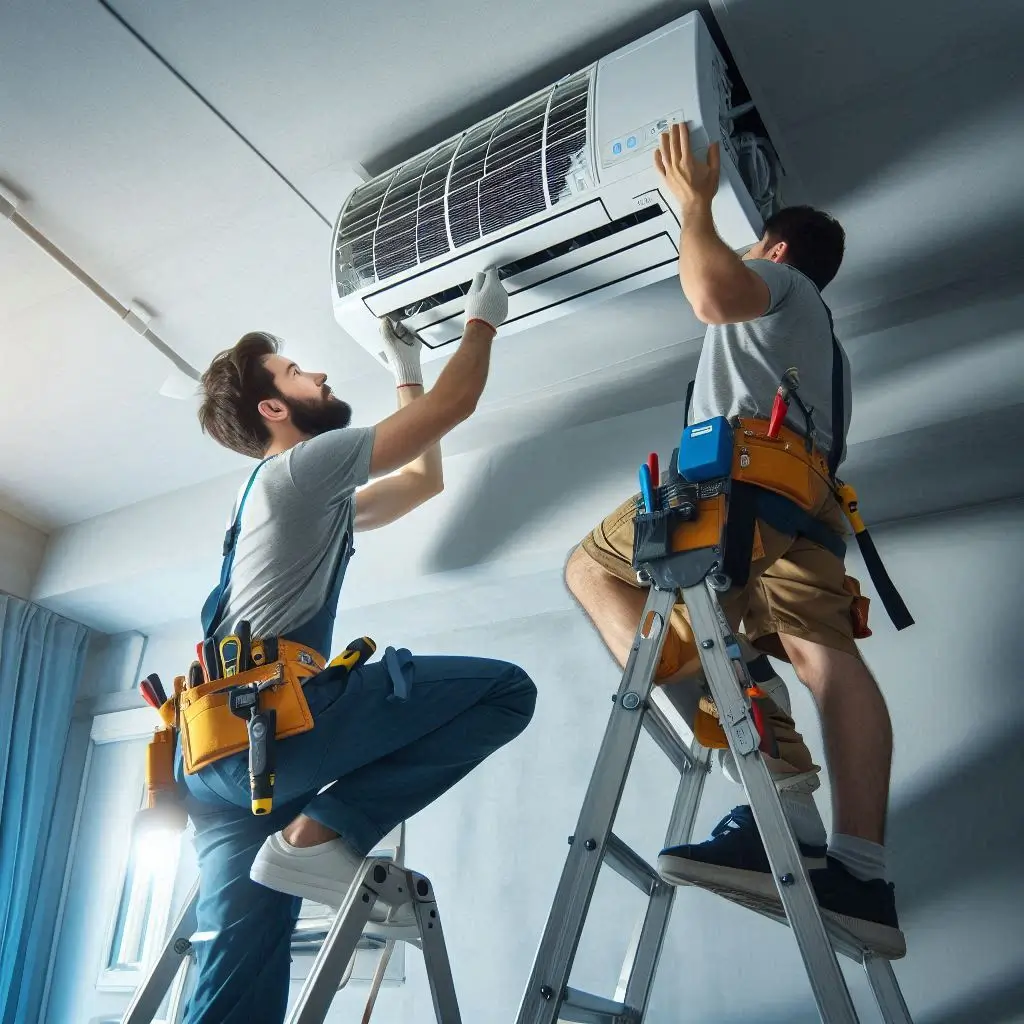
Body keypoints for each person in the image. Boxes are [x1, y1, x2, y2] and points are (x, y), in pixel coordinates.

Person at [564, 122, 905, 958]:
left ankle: (772, 789)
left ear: (776, 248)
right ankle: (859, 873)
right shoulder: (828, 350)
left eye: (756, 246)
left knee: (590, 568)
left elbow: (712, 296)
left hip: (736, 497)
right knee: (824, 658)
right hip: (804, 517)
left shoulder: (778, 286)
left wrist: (695, 204)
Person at [176, 269, 538, 1024]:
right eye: (297, 372)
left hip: (212, 762)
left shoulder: (291, 501)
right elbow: (457, 406)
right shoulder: (299, 471)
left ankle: (308, 845)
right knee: (506, 690)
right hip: (272, 731)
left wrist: (405, 374)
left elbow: (420, 483)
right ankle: (320, 838)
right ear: (275, 407)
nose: (320, 373)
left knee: (240, 960)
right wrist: (481, 323)